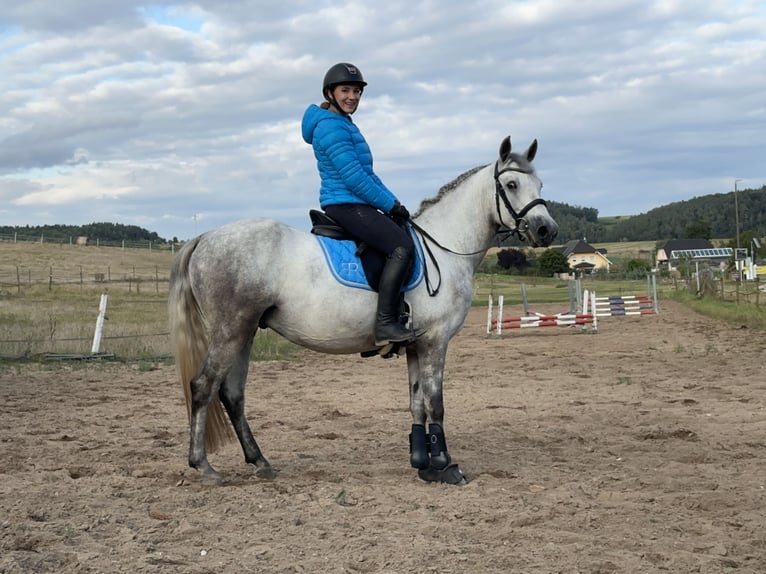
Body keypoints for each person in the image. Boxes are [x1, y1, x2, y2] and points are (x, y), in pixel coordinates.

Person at [301, 62, 417, 346]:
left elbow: (369, 174)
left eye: (356, 91)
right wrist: (389, 206)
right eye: (345, 90)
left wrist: (395, 203)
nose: (352, 96)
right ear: (330, 92)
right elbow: (353, 178)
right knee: (401, 247)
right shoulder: (330, 127)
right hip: (345, 203)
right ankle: (386, 324)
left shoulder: (343, 124)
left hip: (355, 202)